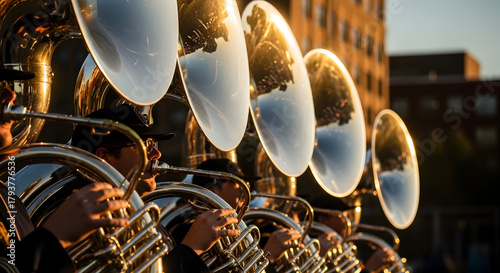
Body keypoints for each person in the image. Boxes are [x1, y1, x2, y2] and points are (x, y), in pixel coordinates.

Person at [70, 104, 240, 272]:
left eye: (154, 145)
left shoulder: (141, 216)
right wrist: (191, 250)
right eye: (146, 144)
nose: (157, 154)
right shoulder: (83, 221)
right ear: (104, 157)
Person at [0, 67, 129, 273]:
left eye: (7, 85)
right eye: (0, 86)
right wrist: (53, 237)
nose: (10, 95)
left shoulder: (7, 198)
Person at [191, 158, 304, 272]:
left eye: (247, 186)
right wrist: (268, 257)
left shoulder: (242, 232)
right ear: (213, 191)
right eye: (239, 184)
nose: (245, 192)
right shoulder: (189, 231)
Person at [310, 194, 393, 273]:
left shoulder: (346, 247)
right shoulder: (312, 247)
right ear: (323, 220)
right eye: (343, 214)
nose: (350, 217)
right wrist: (369, 269)